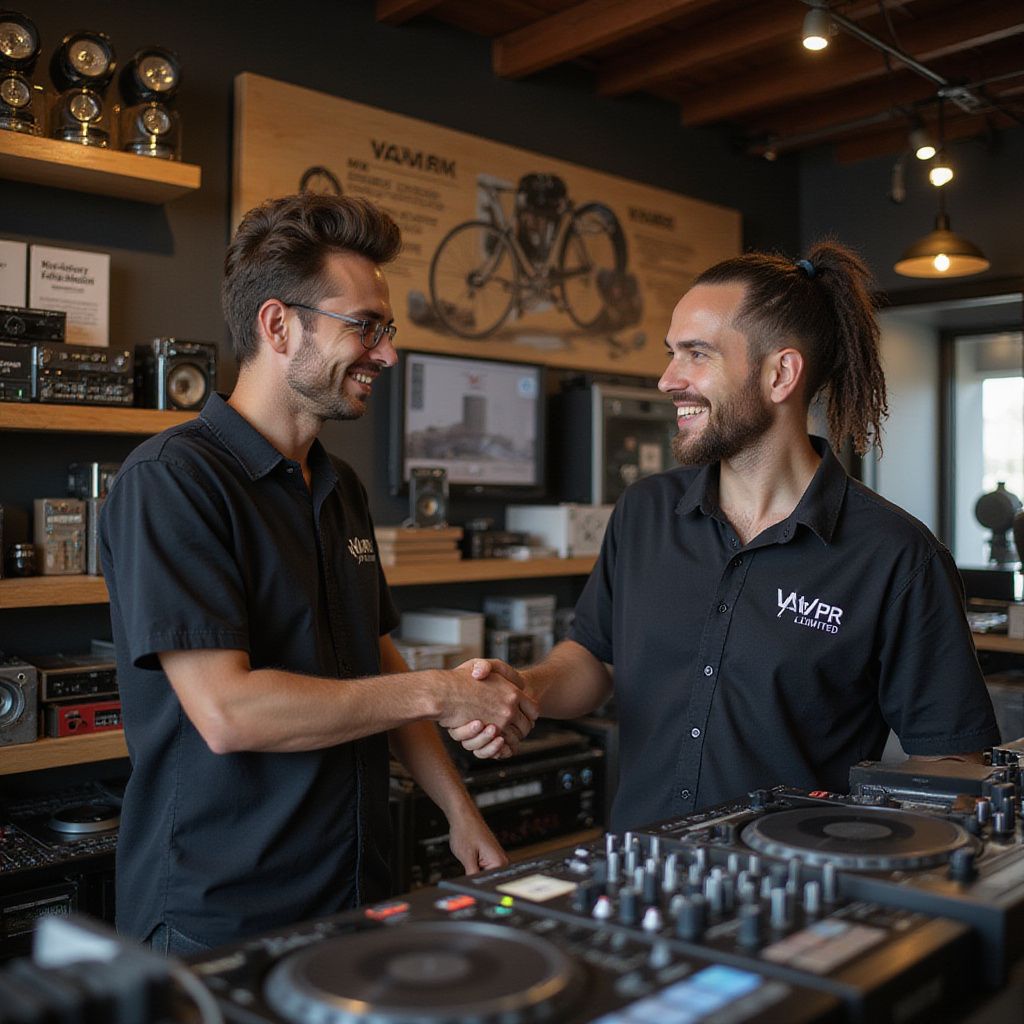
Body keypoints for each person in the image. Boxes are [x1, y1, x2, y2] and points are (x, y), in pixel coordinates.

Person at [99, 194, 537, 955]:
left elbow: (377, 656)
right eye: (365, 326)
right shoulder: (172, 482)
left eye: (387, 330)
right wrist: (445, 693)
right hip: (220, 913)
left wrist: (459, 814)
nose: (387, 354)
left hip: (356, 884)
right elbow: (228, 712)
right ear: (278, 325)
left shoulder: (340, 487)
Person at [452, 242, 1000, 830]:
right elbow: (594, 658)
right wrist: (526, 687)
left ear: (780, 373)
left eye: (696, 354)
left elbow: (949, 759)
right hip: (639, 871)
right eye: (671, 353)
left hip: (796, 890)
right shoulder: (644, 512)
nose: (667, 379)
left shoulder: (896, 555)